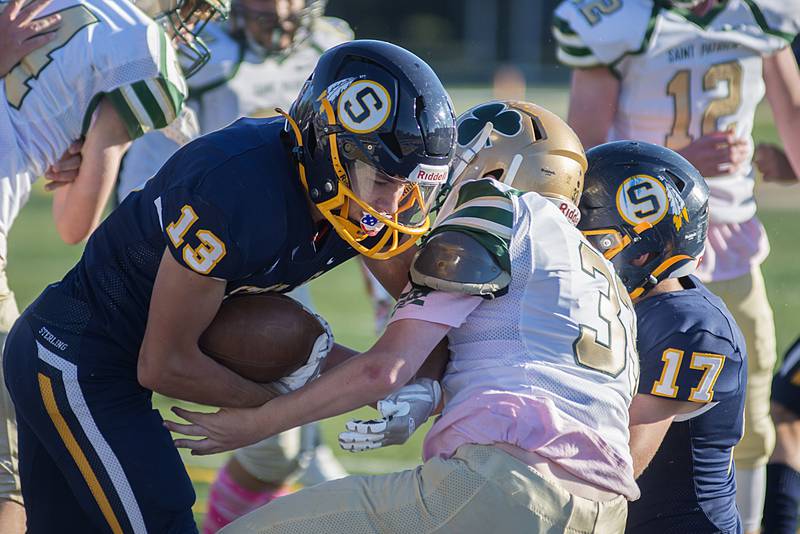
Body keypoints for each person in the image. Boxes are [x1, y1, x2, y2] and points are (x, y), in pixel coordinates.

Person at [2, 40, 455, 533]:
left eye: (414, 188)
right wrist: (281, 402)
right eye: (384, 181)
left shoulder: (352, 193)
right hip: (74, 355)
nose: (394, 207)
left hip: (110, 359)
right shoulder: (232, 191)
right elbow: (164, 362)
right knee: (164, 518)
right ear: (328, 151)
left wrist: (434, 391)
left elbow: (427, 334)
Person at [165, 100, 640, 533]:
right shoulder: (604, 278)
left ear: (498, 166)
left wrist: (257, 424)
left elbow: (383, 368)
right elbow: (529, 374)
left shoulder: (497, 208)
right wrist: (430, 394)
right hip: (603, 511)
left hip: (504, 487)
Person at [552, 1, 800, 529]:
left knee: (750, 420)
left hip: (729, 243)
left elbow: (795, 121)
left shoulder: (763, 13)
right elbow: (582, 157)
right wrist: (682, 167)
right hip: (633, 249)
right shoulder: (616, 19)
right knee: (610, 404)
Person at [113, 1, 353, 530]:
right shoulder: (203, 52)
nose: (281, 8)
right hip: (199, 250)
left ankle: (236, 513)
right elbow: (147, 175)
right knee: (280, 428)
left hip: (282, 250)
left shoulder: (332, 46)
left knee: (282, 437)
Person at [0, 0, 228, 531]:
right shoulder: (142, 49)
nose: (189, 23)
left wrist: (60, 145)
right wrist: (92, 162)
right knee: (7, 477)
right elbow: (74, 225)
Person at [577, 140, 747, 532]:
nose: (578, 255)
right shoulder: (636, 306)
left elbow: (623, 463)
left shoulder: (691, 328)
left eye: (592, 242)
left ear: (642, 251)